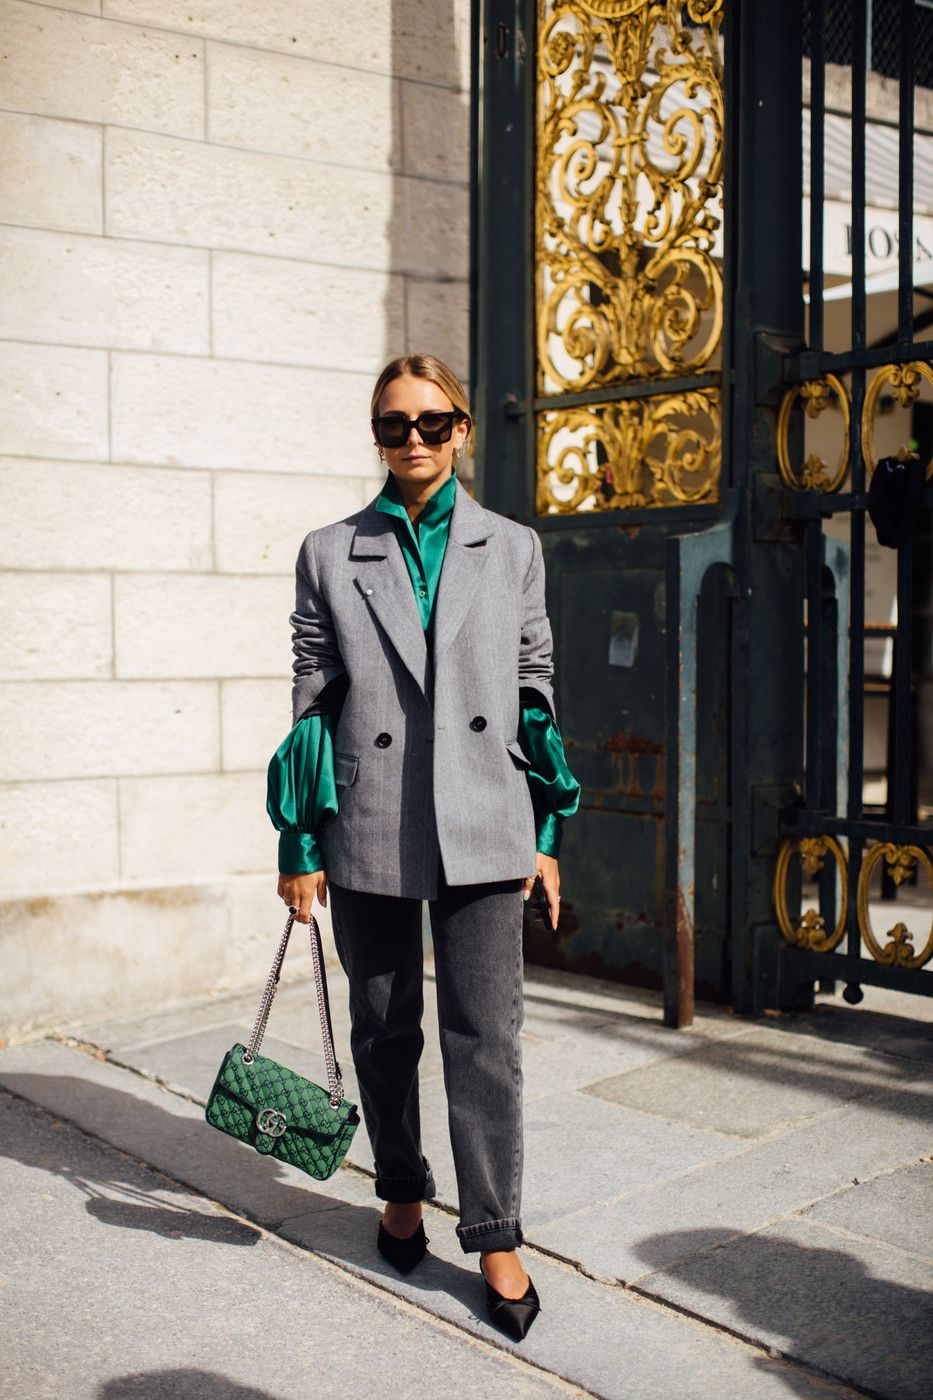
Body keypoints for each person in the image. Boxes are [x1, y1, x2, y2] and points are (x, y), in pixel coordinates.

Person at [266, 353, 580, 1341]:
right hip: (370, 819)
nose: (413, 440)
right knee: (384, 1022)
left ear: (464, 430)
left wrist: (547, 828)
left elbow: (535, 685)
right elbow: (311, 700)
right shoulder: (331, 550)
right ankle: (400, 1183)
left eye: (432, 422)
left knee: (487, 1037)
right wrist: (297, 837)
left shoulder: (513, 546)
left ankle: (493, 1228)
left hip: (488, 818)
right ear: (376, 433)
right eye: (394, 424)